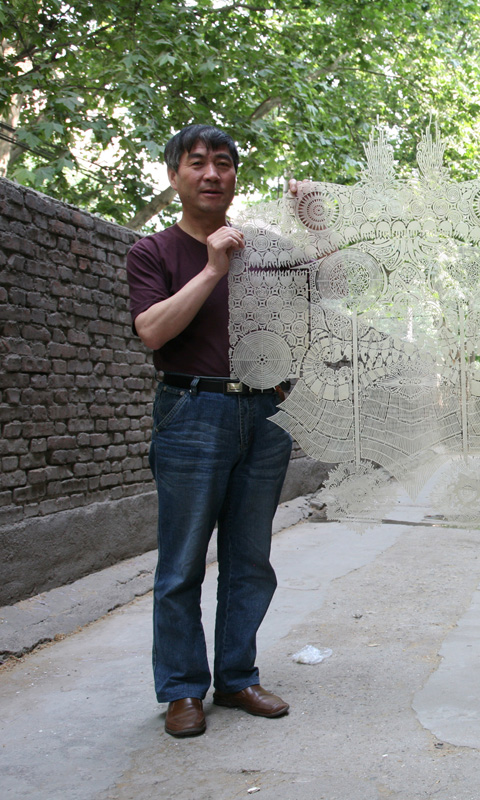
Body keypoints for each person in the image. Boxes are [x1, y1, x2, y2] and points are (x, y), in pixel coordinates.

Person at [126, 124, 293, 737]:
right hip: (191, 410)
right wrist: (213, 268)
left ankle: (238, 677)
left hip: (265, 414)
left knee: (250, 559)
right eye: (196, 163)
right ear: (174, 176)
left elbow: (327, 295)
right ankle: (181, 689)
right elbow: (153, 331)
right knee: (183, 562)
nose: (211, 174)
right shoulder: (153, 252)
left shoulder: (264, 251)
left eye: (223, 163)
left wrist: (318, 223)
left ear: (235, 178)